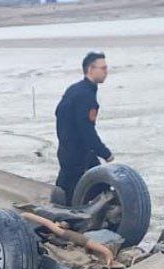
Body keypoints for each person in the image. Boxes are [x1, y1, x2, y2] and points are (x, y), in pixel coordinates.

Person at [54, 51, 113, 205]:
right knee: (100, 191)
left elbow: (59, 115)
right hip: (79, 155)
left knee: (64, 191)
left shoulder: (74, 89)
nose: (106, 72)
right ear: (91, 69)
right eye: (103, 68)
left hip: (67, 150)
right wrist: (104, 152)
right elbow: (86, 129)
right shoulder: (86, 95)